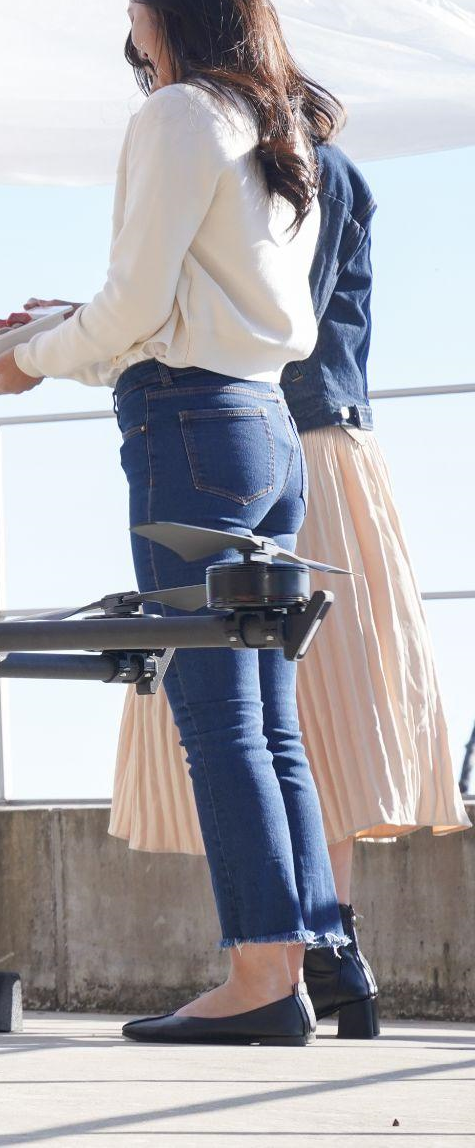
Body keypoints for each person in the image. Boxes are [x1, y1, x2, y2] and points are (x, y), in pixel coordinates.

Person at [0, 0, 344, 1045]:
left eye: (132, 3)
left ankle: (259, 979)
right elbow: (185, 304)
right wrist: (54, 330)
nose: (129, 28)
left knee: (216, 718)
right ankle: (314, 964)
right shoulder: (278, 119)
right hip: (263, 429)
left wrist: (31, 360)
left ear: (160, 5)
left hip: (189, 433)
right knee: (266, 720)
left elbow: (138, 311)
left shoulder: (178, 114)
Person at [109, 140, 470, 1039]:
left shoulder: (275, 161)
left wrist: (102, 331)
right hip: (323, 447)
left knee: (279, 711)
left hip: (271, 435)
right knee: (320, 708)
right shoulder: (318, 167)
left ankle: (305, 954)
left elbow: (245, 318)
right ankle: (327, 950)